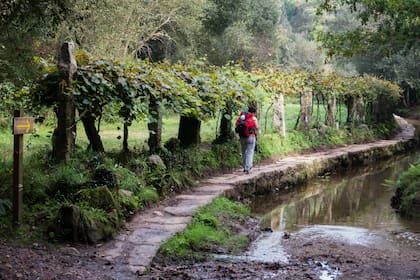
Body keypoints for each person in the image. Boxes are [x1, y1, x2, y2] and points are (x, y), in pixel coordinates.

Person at [236, 105, 259, 174]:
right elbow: (257, 127)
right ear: (254, 112)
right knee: (250, 152)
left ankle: (244, 167)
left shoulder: (242, 118)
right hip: (251, 137)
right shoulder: (253, 118)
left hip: (242, 137)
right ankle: (248, 167)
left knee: (244, 152)